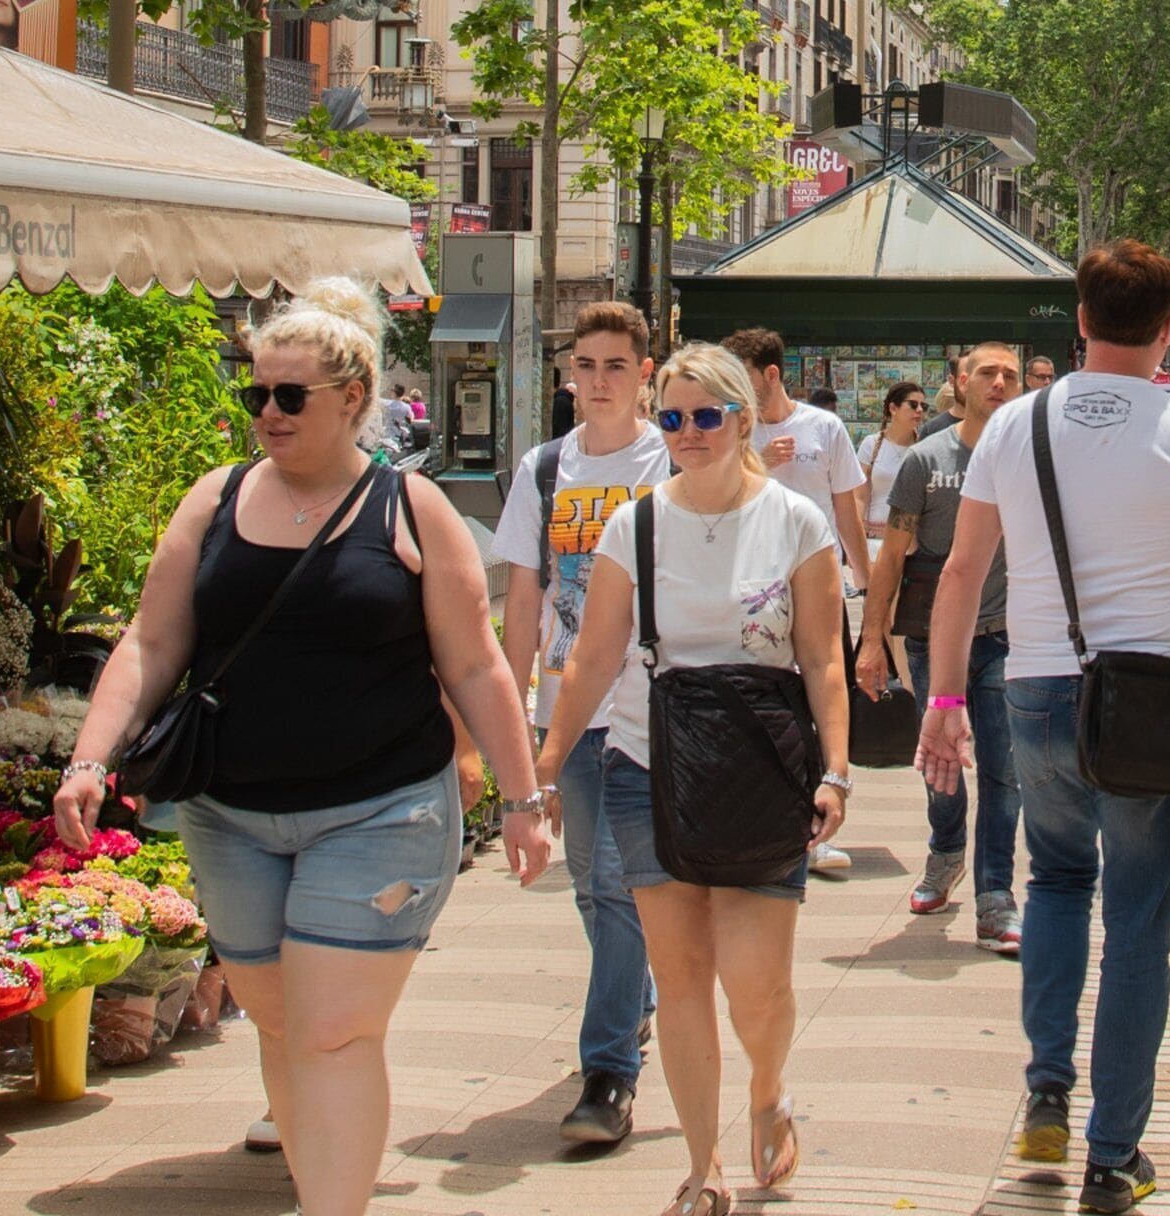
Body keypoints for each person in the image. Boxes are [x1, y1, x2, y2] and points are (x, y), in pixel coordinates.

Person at [56, 281, 554, 1215]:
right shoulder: (214, 499)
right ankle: (319, 1175)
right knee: (282, 1025)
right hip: (231, 814)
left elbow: (478, 667)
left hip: (381, 808)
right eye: (256, 394)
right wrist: (90, 759)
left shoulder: (410, 508)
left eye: (291, 396)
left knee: (332, 1032)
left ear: (354, 397)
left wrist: (522, 801)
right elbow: (151, 641)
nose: (268, 414)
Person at [919, 241, 1170, 1216]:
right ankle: (1113, 1157)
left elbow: (958, 574)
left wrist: (945, 702)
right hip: (1153, 701)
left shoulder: (1014, 427)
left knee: (1058, 884)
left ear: (1079, 319)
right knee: (1140, 923)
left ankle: (1044, 1088)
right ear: (1167, 330)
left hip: (1033, 691)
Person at [533, 342, 852, 1216]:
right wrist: (549, 764)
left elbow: (823, 656)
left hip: (762, 769)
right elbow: (594, 653)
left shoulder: (794, 520)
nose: (687, 434)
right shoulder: (633, 525)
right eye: (670, 418)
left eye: (706, 416)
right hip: (648, 764)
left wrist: (836, 769)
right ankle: (702, 1166)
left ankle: (768, 1085)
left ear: (743, 418)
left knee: (757, 983)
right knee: (679, 977)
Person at [495, 302, 672, 1149]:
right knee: (585, 881)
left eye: (615, 366)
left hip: (650, 703)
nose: (598, 382)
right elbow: (523, 595)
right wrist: (521, 708)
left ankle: (608, 1073)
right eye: (586, 366)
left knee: (615, 880)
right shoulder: (543, 469)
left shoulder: (670, 458)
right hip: (568, 704)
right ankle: (635, 998)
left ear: (644, 373)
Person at [863, 343, 1027, 951]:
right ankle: (945, 851)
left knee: (1006, 771)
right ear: (960, 381)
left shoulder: (1031, 456)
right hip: (936, 636)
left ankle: (995, 894)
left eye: (1010, 373)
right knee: (942, 764)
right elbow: (893, 556)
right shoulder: (926, 459)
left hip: (1011, 635)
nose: (1000, 382)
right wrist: (871, 639)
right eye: (988, 372)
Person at [727, 329, 873, 877]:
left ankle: (819, 822)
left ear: (771, 374)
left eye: (744, 378)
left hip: (815, 585)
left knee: (821, 698)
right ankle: (765, 818)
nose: (735, 391)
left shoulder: (824, 427)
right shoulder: (729, 431)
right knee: (761, 702)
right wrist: (755, 461)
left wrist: (868, 585)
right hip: (748, 587)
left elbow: (845, 510)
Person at [857, 382, 929, 547]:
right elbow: (859, 496)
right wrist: (857, 539)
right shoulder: (871, 444)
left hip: (911, 542)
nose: (919, 410)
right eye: (913, 404)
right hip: (873, 538)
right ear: (893, 408)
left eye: (923, 405)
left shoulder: (924, 448)